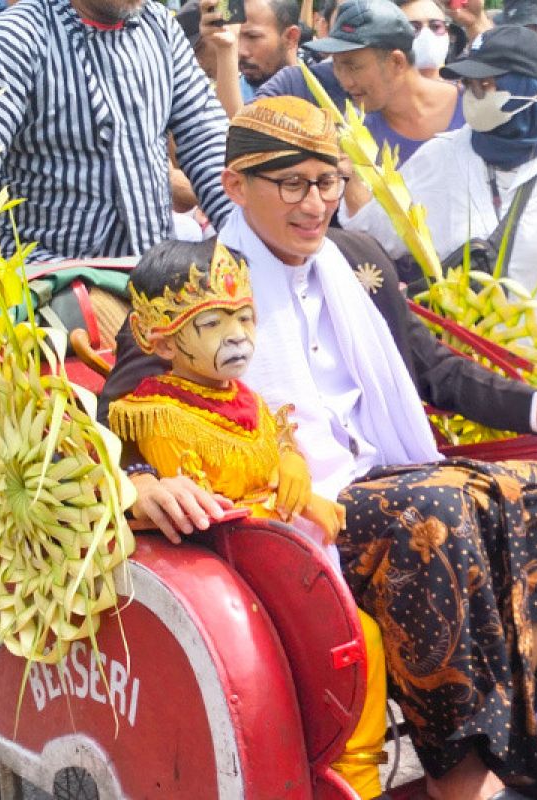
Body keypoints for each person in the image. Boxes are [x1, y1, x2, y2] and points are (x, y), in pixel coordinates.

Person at [103, 95, 537, 800]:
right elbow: (125, 402)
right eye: (292, 183)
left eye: (328, 180)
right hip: (289, 512)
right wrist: (137, 481)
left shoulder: (354, 256)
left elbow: (431, 364)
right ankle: (462, 779)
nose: (316, 202)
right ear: (234, 184)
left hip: (382, 471)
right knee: (434, 511)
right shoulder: (199, 279)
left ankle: (519, 738)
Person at [109, 238, 386, 798]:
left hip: (291, 552)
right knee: (354, 644)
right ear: (157, 337)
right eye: (210, 323)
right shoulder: (150, 411)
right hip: (235, 571)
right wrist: (145, 482)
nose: (237, 336)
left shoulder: (248, 399)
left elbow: (277, 442)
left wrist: (292, 470)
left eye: (242, 317)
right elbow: (157, 484)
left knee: (373, 629)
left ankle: (358, 776)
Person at [0, 0, 231, 312]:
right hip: (46, 296)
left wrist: (256, 247)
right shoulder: (17, 34)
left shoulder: (160, 28)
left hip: (151, 287)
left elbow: (212, 149)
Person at [343, 24, 537, 378]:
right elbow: (372, 233)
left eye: (487, 85)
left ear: (528, 87)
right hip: (452, 372)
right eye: (470, 85)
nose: (474, 95)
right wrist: (351, 173)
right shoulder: (440, 156)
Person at [306, 0, 463, 164]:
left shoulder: (471, 110)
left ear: (396, 62)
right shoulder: (354, 134)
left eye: (354, 67)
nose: (346, 82)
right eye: (337, 67)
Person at [199, 0, 301, 116]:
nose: (241, 51)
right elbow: (230, 129)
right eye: (237, 37)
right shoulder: (224, 94)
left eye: (252, 37)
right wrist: (224, 48)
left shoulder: (318, 91)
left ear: (291, 37)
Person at [397, 0, 449, 81]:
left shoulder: (462, 91)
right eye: (413, 28)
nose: (426, 35)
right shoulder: (379, 91)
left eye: (435, 26)